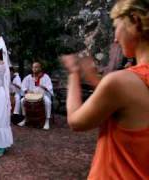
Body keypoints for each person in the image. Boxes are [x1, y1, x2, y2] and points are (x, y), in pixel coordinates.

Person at [61, 0, 149, 178]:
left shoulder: (120, 83)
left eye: (117, 27)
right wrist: (95, 79)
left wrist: (73, 73)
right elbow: (131, 105)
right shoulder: (128, 84)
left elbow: (76, 121)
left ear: (135, 21)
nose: (115, 39)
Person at [18, 62, 53, 130]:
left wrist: (44, 87)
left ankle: (47, 120)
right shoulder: (28, 77)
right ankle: (25, 118)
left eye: (36, 67)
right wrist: (27, 91)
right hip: (31, 95)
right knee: (22, 101)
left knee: (48, 102)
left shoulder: (46, 77)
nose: (34, 69)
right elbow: (23, 86)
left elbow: (50, 87)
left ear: (40, 68)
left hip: (43, 95)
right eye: (33, 67)